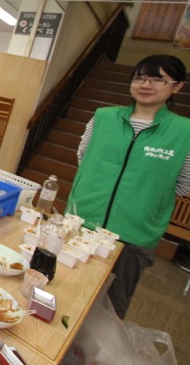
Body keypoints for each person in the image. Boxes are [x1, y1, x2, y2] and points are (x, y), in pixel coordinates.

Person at [68, 54, 190, 318]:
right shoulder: (103, 117)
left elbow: (184, 184)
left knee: (109, 309)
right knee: (62, 289)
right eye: (140, 77)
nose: (146, 84)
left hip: (134, 235)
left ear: (177, 86)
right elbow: (82, 156)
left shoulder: (184, 131)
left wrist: (147, 196)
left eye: (158, 79)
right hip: (82, 221)